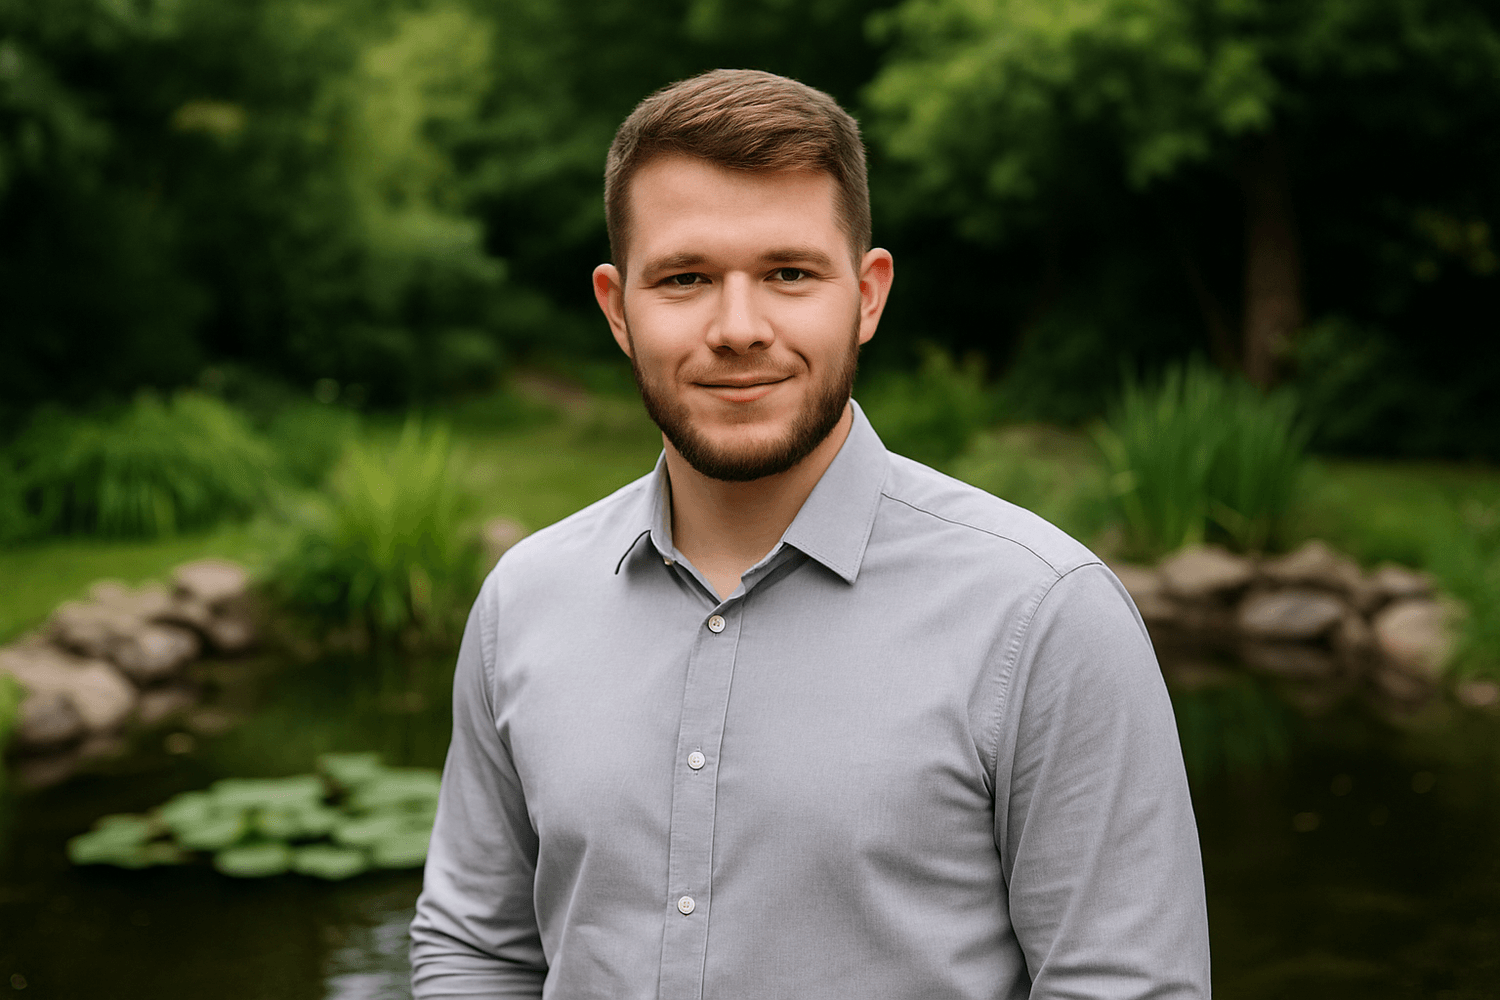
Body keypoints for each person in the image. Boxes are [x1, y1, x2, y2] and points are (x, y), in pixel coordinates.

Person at [410, 68, 1210, 1000]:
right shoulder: (523, 600)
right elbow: (476, 951)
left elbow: (1124, 986)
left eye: (789, 274)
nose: (739, 327)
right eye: (686, 278)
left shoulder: (1044, 617)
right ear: (617, 308)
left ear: (867, 296)